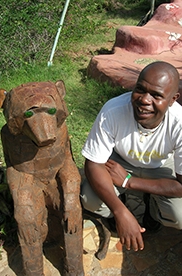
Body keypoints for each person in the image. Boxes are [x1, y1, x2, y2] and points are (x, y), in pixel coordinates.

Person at [80, 61, 182, 252]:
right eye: (140, 89)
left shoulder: (180, 123)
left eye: (157, 95)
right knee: (90, 199)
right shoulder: (113, 110)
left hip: (161, 167)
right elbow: (93, 164)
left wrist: (129, 182)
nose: (144, 100)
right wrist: (120, 212)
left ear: (173, 99)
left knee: (179, 215)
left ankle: (152, 209)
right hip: (120, 161)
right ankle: (122, 204)